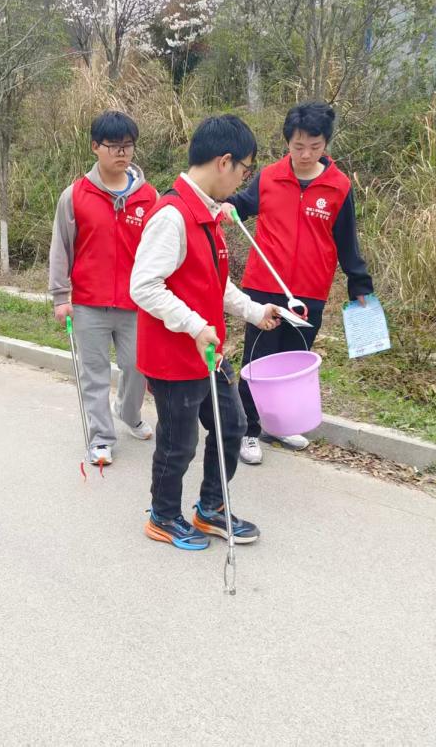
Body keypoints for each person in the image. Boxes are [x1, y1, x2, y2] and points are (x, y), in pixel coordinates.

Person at [130, 115, 281, 550]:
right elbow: (144, 286)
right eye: (245, 169)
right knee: (178, 443)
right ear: (224, 161)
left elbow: (216, 282)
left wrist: (255, 311)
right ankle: (163, 516)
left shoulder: (208, 213)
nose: (244, 179)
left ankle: (211, 507)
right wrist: (195, 326)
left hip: (206, 352)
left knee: (232, 425)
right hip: (174, 356)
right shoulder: (172, 216)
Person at [224, 101, 374, 465]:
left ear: (326, 144)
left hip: (309, 292)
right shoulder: (269, 177)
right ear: (287, 143)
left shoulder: (338, 186)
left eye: (314, 146)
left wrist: (359, 284)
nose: (305, 155)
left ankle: (279, 425)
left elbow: (346, 240)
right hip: (264, 287)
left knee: (292, 363)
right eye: (298, 146)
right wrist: (226, 205)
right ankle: (249, 430)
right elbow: (242, 204)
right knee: (258, 361)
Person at [48, 111, 158, 467]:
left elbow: (159, 252)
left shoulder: (149, 197)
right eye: (113, 145)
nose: (121, 152)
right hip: (88, 304)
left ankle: (128, 412)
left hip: (135, 303)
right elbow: (61, 248)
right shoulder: (75, 195)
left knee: (138, 367)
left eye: (127, 145)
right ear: (95, 147)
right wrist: (60, 297)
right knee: (93, 374)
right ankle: (101, 438)